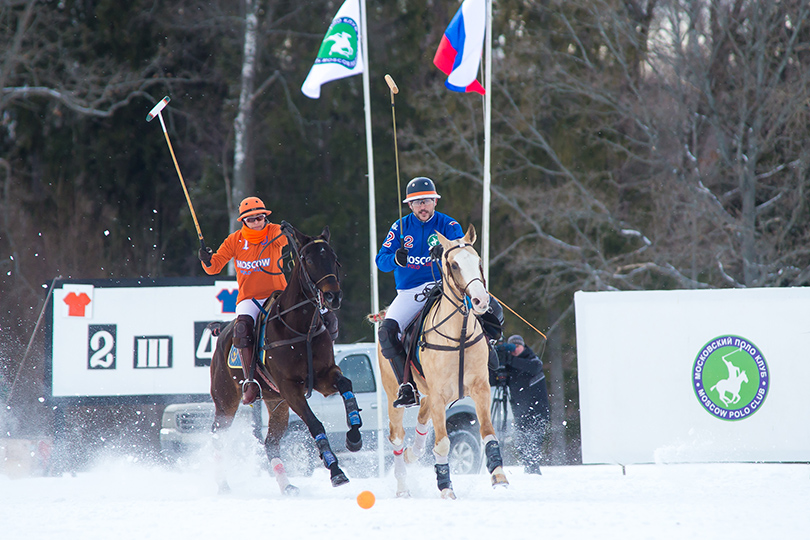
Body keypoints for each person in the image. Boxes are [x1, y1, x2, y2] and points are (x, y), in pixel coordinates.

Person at [199, 196, 337, 405]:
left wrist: (290, 233)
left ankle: (323, 368)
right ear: (243, 221)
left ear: (265, 217)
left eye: (260, 217)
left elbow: (292, 241)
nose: (256, 222)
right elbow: (214, 267)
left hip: (278, 295)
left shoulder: (273, 232)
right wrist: (206, 259)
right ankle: (250, 382)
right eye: (251, 219)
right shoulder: (234, 240)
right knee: (243, 329)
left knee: (327, 317)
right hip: (250, 298)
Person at [375, 177, 464, 408]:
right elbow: (381, 261)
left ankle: (489, 356)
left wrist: (446, 251)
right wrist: (396, 258)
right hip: (410, 292)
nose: (422, 206)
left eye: (426, 201)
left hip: (446, 287)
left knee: (486, 308)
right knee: (386, 332)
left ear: (435, 201)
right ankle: (407, 386)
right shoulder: (400, 227)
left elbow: (462, 254)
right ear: (410, 205)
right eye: (416, 203)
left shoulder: (449, 225)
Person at [493, 334, 549, 474]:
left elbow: (534, 367)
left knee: (534, 441)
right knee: (522, 443)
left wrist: (510, 359)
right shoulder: (510, 364)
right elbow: (493, 381)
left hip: (537, 409)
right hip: (520, 410)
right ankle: (528, 470)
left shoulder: (531, 358)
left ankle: (534, 471)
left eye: (517, 347)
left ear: (523, 346)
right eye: (512, 348)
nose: (515, 350)